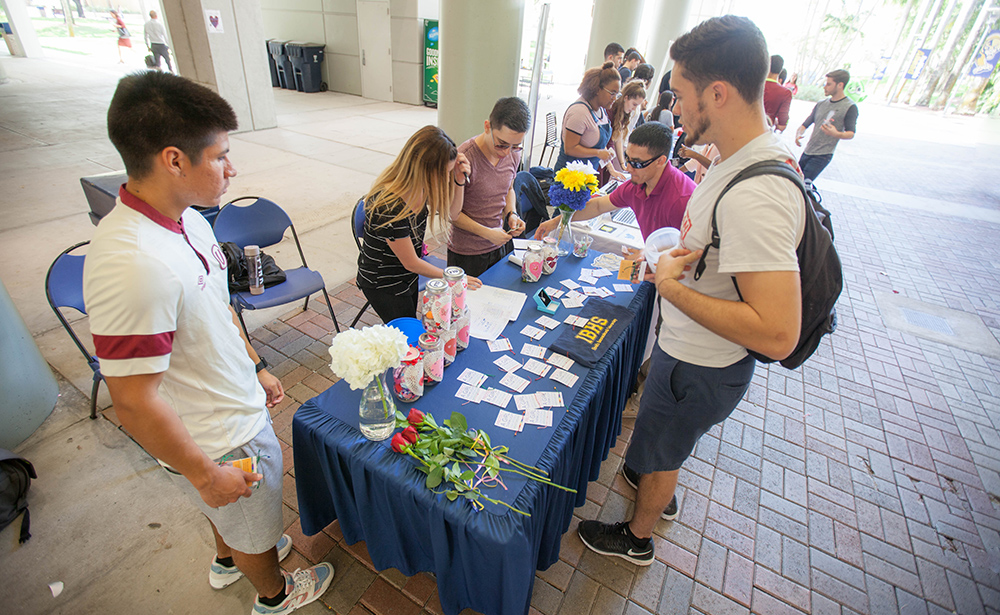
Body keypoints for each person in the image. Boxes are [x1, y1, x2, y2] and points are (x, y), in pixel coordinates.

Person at [84, 71, 334, 614]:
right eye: (220, 156)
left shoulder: (189, 220)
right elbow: (132, 400)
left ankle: (234, 555)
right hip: (218, 436)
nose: (232, 167)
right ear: (174, 160)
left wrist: (258, 365)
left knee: (240, 518)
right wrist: (205, 473)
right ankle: (273, 592)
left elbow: (216, 311)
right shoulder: (133, 264)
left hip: (234, 405)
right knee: (244, 510)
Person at [576, 15, 804, 566]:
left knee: (665, 445)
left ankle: (637, 537)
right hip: (688, 354)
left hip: (700, 364)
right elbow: (716, 256)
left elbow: (778, 333)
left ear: (717, 93)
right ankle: (652, 480)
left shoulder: (757, 192)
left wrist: (672, 288)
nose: (673, 108)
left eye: (680, 95)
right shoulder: (733, 162)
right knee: (659, 445)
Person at [356, 126, 482, 323]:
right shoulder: (389, 206)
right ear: (424, 169)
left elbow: (453, 213)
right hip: (383, 282)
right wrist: (453, 277)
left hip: (406, 275)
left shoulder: (421, 186)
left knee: (410, 323)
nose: (444, 180)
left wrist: (459, 180)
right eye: (444, 174)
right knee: (406, 334)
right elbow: (411, 262)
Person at [535, 121, 694, 243]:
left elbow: (689, 256)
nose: (629, 168)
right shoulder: (636, 184)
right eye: (627, 159)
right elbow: (598, 205)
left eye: (637, 163)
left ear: (661, 161)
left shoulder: (682, 200)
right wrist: (556, 221)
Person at [448, 97, 531, 277]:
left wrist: (511, 213)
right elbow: (451, 213)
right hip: (467, 253)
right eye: (501, 144)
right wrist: (486, 233)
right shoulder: (464, 158)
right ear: (487, 127)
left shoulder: (513, 154)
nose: (507, 153)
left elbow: (509, 189)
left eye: (515, 146)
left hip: (499, 244)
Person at [553, 62, 620, 173]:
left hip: (587, 175)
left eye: (617, 94)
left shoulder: (601, 109)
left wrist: (612, 170)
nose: (615, 98)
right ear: (598, 89)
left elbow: (602, 145)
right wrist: (598, 153)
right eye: (612, 93)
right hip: (569, 178)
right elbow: (570, 149)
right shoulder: (579, 113)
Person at [795, 69, 858, 182]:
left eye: (829, 84)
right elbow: (806, 124)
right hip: (808, 151)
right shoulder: (821, 104)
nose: (825, 87)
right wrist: (799, 133)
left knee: (802, 184)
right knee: (795, 181)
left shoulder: (850, 107)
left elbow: (851, 133)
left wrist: (836, 134)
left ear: (840, 85)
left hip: (823, 154)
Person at [606, 81, 647, 179]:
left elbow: (618, 138)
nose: (634, 109)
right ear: (626, 98)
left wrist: (622, 163)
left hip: (608, 153)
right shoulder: (610, 110)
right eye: (634, 104)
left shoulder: (624, 113)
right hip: (602, 151)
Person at [763, 55, 792, 132]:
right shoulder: (785, 93)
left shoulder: (753, 85)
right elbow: (782, 125)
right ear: (780, 70)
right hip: (765, 132)